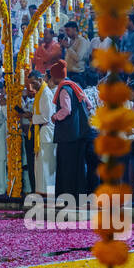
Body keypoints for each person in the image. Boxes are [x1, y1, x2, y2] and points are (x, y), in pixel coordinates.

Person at [50, 61, 88, 199]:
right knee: (77, 166)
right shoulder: (74, 86)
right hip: (78, 133)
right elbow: (88, 105)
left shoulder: (64, 89)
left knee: (67, 166)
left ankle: (68, 196)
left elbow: (66, 110)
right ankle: (78, 196)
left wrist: (55, 116)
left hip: (67, 135)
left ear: (55, 76)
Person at [32, 68, 56, 193]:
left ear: (40, 80)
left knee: (46, 164)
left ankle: (47, 192)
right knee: (41, 165)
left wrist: (32, 117)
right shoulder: (40, 92)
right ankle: (42, 191)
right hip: (42, 131)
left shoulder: (45, 93)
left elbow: (46, 117)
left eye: (33, 83)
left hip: (47, 132)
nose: (32, 86)